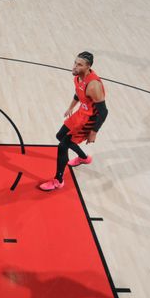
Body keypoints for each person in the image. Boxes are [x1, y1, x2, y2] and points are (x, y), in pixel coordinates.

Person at [40, 51, 108, 192]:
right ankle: (83, 157)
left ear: (88, 67)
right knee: (60, 136)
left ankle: (58, 180)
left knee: (62, 145)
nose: (75, 67)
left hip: (89, 120)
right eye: (75, 63)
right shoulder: (78, 78)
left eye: (79, 65)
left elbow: (103, 112)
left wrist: (93, 132)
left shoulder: (94, 85)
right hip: (80, 113)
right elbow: (78, 93)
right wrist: (70, 107)